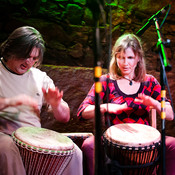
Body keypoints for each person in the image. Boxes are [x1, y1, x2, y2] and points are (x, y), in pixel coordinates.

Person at [77, 33, 175, 175]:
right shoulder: (106, 81)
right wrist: (106, 107)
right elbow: (82, 112)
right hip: (114, 144)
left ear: (138, 59)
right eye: (120, 57)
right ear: (115, 58)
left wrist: (153, 102)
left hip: (145, 145)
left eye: (130, 57)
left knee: (172, 145)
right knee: (89, 145)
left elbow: (170, 115)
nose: (125, 63)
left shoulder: (150, 82)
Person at [0, 26, 83, 175]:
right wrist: (12, 101)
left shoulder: (39, 77)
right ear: (11, 49)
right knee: (7, 148)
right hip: (4, 134)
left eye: (34, 58)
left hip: (33, 137)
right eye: (25, 56)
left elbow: (64, 117)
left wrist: (56, 104)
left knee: (75, 152)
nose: (28, 62)